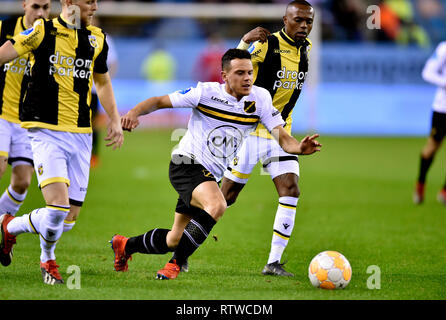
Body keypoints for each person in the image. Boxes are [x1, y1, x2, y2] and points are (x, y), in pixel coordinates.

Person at [111, 48, 322, 280]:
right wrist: (133, 112)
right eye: (240, 73)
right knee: (217, 204)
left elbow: (282, 137)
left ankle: (125, 246)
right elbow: (161, 101)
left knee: (175, 239)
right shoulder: (205, 93)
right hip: (186, 164)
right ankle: (175, 264)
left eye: (250, 72)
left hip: (210, 175)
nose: (247, 78)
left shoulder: (260, 98)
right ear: (224, 76)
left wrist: (299, 148)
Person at [0, 0, 124, 285]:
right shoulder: (42, 31)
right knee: (57, 207)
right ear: (68, 2)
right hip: (45, 130)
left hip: (81, 134)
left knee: (67, 220)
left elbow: (102, 82)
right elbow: (4, 54)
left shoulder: (97, 38)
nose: (95, 5)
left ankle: (10, 226)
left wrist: (114, 119)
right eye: (88, 1)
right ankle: (48, 259)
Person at [220, 0, 315, 277]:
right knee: (225, 199)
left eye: (309, 21)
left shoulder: (306, 50)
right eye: (298, 20)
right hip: (249, 132)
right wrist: (244, 40)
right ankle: (181, 247)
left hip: (279, 132)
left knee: (291, 189)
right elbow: (234, 68)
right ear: (285, 20)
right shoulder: (267, 44)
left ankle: (273, 262)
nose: (304, 26)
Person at [0, 0, 50, 217]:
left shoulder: (52, 38)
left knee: (22, 182)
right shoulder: (5, 29)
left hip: (26, 120)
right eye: (35, 6)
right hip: (0, 114)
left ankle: (3, 225)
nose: (40, 13)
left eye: (46, 7)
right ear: (24, 5)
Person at [413, 40, 446, 206]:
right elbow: (427, 72)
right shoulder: (445, 49)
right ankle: (421, 183)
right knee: (432, 148)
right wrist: (445, 83)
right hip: (443, 108)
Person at [90, 17, 119, 168]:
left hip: (94, 90)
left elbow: (113, 62)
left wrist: (107, 81)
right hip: (76, 89)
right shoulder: (74, 34)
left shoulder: (104, 38)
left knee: (93, 123)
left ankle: (93, 155)